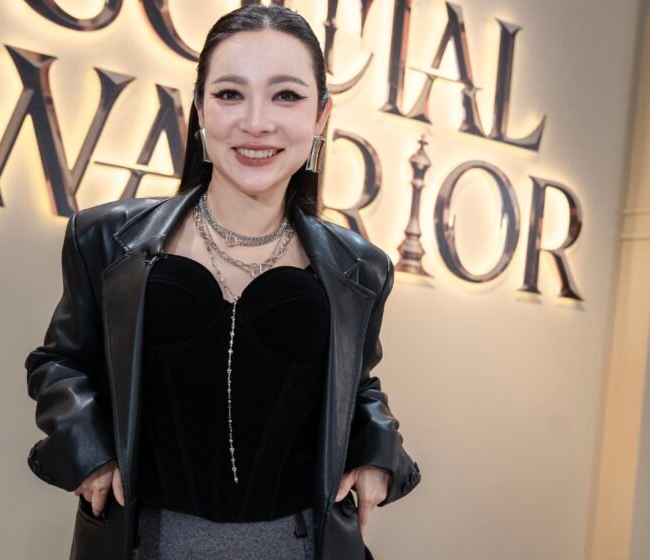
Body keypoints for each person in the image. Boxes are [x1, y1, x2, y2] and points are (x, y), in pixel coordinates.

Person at [25, 5, 421, 560]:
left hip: (296, 546)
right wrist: (88, 451)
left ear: (321, 115)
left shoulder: (359, 267)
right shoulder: (107, 239)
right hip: (147, 543)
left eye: (286, 96)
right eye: (230, 94)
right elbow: (59, 362)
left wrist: (377, 450)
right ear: (199, 108)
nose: (256, 122)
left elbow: (356, 385)